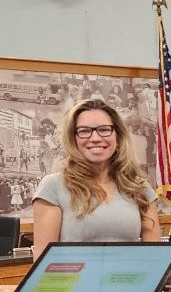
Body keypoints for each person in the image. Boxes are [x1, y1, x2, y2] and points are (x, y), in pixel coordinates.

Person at [32, 98, 160, 253]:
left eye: (104, 129)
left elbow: (154, 256)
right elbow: (44, 263)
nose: (95, 138)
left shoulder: (139, 187)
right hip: (75, 277)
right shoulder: (53, 187)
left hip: (127, 277)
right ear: (74, 139)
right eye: (84, 131)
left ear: (118, 137)